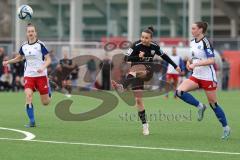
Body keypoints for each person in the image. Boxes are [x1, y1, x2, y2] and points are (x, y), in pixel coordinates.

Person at [112, 26, 181, 135]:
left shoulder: (155, 47)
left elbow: (165, 56)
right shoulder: (135, 45)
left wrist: (175, 66)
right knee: (139, 100)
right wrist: (138, 57)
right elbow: (126, 59)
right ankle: (145, 125)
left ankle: (122, 86)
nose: (144, 39)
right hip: (135, 74)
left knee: (136, 69)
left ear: (151, 38)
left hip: (147, 71)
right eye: (142, 37)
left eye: (146, 38)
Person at [175, 21, 230, 139]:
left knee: (213, 104)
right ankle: (200, 106)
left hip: (208, 77)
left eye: (194, 28)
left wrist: (197, 64)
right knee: (179, 92)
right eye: (192, 28)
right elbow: (192, 57)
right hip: (196, 76)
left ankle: (226, 127)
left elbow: (211, 60)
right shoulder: (192, 42)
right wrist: (189, 63)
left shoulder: (206, 42)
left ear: (200, 30)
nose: (192, 30)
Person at [2, 23, 52, 127]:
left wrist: (42, 68)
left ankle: (48, 89)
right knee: (28, 96)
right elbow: (19, 58)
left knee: (45, 102)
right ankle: (32, 121)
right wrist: (8, 62)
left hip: (41, 76)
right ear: (26, 33)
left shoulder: (40, 45)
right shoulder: (24, 46)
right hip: (29, 75)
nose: (31, 33)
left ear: (35, 33)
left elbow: (48, 59)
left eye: (32, 31)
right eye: (29, 31)